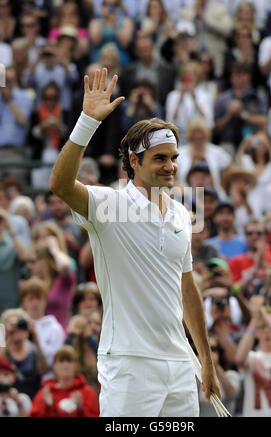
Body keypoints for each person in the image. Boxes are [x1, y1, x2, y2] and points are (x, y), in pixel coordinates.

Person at [49, 67, 220, 417]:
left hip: (179, 365)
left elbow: (186, 288)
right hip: (129, 365)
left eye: (173, 158)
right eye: (160, 158)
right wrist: (87, 122)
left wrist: (206, 359)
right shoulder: (108, 204)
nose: (170, 166)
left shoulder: (181, 215)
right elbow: (61, 185)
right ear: (133, 161)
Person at [30, 345, 99, 417]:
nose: (65, 365)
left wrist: (80, 409)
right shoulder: (45, 393)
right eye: (61, 361)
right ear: (54, 366)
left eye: (69, 361)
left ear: (76, 365)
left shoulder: (87, 393)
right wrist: (48, 407)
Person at [20, 276, 65, 381]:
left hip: (46, 380)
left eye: (39, 298)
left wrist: (36, 338)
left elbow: (52, 363)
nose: (35, 303)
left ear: (45, 300)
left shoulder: (55, 328)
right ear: (24, 302)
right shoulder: (15, 322)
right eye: (31, 298)